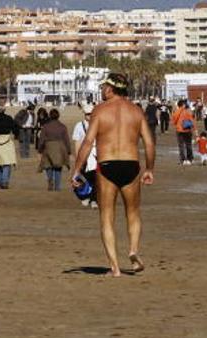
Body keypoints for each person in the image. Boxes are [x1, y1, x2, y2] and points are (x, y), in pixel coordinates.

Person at [70, 73, 156, 277]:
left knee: (106, 216)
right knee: (133, 212)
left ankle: (115, 268)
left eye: (103, 87)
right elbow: (149, 143)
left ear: (110, 89)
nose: (102, 90)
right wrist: (149, 169)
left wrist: (76, 170)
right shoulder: (136, 111)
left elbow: (88, 142)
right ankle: (133, 250)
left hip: (106, 165)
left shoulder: (100, 110)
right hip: (131, 164)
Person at [36, 108, 72, 191]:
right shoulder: (62, 126)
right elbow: (66, 140)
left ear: (50, 116)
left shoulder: (46, 126)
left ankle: (50, 181)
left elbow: (42, 139)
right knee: (58, 167)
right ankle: (57, 186)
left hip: (48, 147)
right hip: (60, 148)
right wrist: (69, 151)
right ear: (58, 116)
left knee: (48, 166)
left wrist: (40, 150)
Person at [73, 103, 99, 208]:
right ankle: (85, 197)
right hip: (84, 154)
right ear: (84, 114)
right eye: (87, 114)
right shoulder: (79, 126)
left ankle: (94, 199)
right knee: (84, 177)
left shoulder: (98, 124)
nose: (89, 116)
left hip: (96, 154)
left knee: (97, 178)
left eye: (91, 114)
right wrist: (78, 156)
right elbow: (77, 142)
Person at [171, 99, 195, 165]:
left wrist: (177, 124)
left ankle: (183, 160)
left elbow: (174, 121)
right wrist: (195, 129)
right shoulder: (188, 111)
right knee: (188, 144)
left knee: (181, 145)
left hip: (179, 130)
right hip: (187, 130)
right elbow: (192, 120)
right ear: (183, 104)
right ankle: (190, 159)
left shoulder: (176, 111)